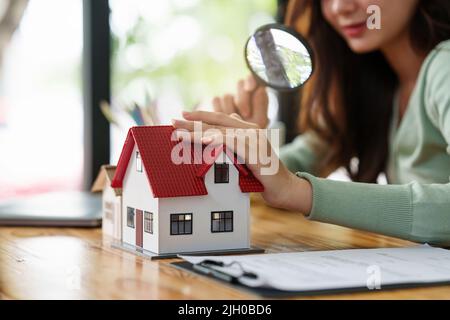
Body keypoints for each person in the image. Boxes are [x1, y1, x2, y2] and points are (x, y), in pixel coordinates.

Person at [172, 0, 450, 245]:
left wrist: (297, 191)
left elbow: (286, 184)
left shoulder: (445, 66)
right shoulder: (377, 86)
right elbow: (296, 163)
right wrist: (243, 157)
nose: (340, 6)